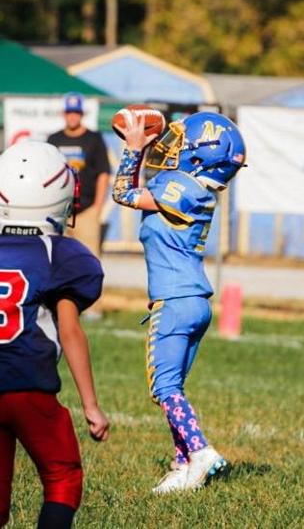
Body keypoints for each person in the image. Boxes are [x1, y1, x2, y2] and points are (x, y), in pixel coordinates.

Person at [112, 110, 246, 494]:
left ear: (201, 155)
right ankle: (182, 465)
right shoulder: (195, 190)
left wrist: (133, 150)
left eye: (182, 144)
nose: (173, 148)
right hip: (194, 301)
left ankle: (201, 452)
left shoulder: (182, 186)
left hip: (173, 301)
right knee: (174, 390)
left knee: (163, 388)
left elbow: (123, 192)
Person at [0, 141, 110, 528]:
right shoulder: (58, 254)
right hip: (29, 391)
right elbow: (70, 330)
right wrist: (90, 405)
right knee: (63, 479)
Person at [47, 92, 111, 319]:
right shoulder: (54, 139)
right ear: (63, 113)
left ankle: (93, 308)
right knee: (57, 260)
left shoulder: (93, 139)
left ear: (81, 114)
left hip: (86, 210)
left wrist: (98, 206)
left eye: (76, 112)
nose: (73, 116)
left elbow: (103, 173)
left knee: (90, 260)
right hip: (60, 211)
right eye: (69, 112)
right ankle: (56, 305)